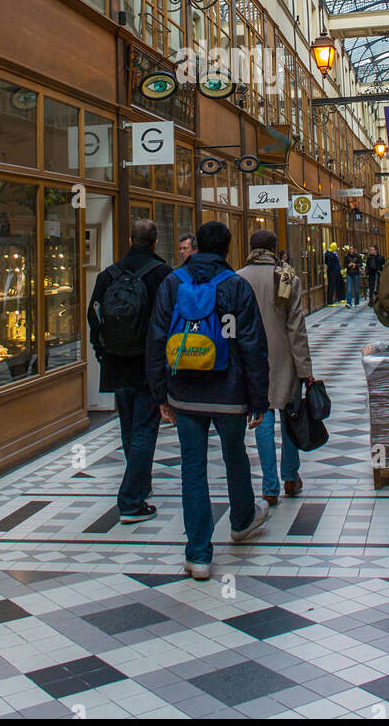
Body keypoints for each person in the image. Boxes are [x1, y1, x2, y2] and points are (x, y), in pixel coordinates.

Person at [146, 220, 270, 581]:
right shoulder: (236, 286)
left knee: (192, 468)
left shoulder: (173, 282)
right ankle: (242, 519)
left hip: (184, 393)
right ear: (228, 249)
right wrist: (258, 399)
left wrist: (160, 394)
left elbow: (156, 339)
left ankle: (198, 554)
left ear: (197, 246)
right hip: (229, 393)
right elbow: (252, 346)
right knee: (234, 456)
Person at [87, 219, 172, 523]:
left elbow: (93, 318)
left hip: (117, 364)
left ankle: (140, 485)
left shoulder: (107, 276)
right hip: (149, 365)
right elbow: (171, 321)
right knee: (145, 429)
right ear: (155, 241)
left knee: (128, 428)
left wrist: (103, 354)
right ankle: (132, 501)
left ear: (129, 239)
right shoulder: (163, 275)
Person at [237, 230, 314, 504]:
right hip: (285, 358)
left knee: (263, 417)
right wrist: (305, 369)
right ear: (274, 248)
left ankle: (269, 487)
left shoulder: (239, 277)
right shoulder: (286, 276)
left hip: (251, 358)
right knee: (290, 415)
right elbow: (296, 327)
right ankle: (291, 477)